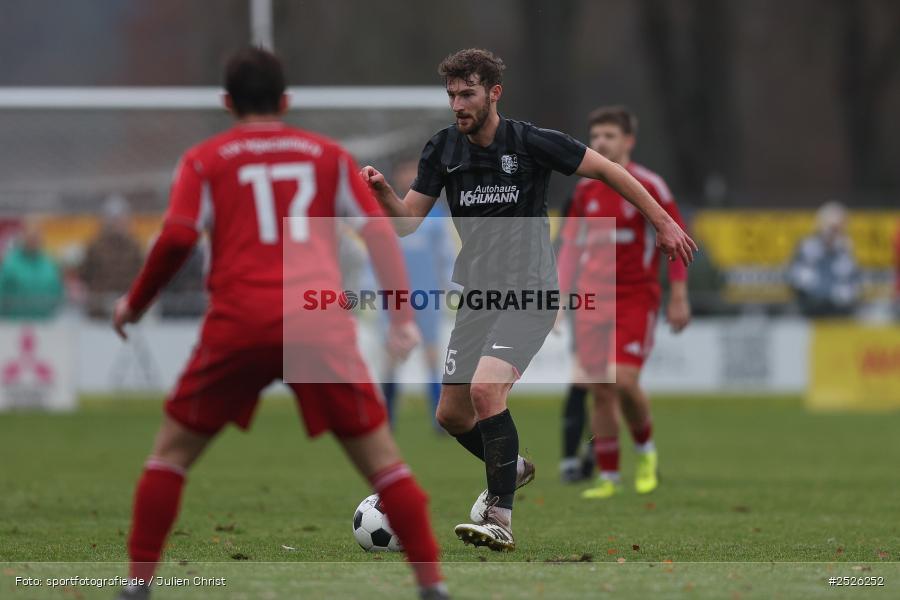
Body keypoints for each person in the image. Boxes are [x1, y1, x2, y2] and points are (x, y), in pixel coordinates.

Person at [112, 48, 447, 600]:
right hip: (314, 324)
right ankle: (433, 587)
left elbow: (176, 238)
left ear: (226, 103)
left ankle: (137, 586)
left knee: (170, 454)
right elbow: (379, 231)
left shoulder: (205, 159)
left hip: (238, 323)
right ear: (286, 101)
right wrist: (402, 319)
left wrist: (135, 304)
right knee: (384, 463)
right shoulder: (327, 155)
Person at [360, 49, 696, 552]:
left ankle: (499, 517)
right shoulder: (442, 149)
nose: (458, 103)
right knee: (452, 415)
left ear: (494, 93)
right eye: (451, 94)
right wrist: (385, 192)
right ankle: (510, 467)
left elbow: (608, 170)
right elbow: (408, 222)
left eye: (468, 93)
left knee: (485, 393)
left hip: (530, 292)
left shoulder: (531, 142)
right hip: (477, 297)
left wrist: (662, 220)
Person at [557, 106, 692, 500]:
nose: (600, 143)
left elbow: (677, 240)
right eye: (595, 136)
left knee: (624, 380)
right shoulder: (584, 191)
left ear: (628, 141)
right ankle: (610, 477)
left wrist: (679, 295)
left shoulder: (650, 186)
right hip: (593, 298)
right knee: (600, 387)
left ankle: (645, 452)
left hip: (636, 298)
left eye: (609, 136)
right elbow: (570, 247)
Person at [381, 158, 454, 430]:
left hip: (428, 295)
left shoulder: (435, 217)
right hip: (395, 298)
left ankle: (440, 418)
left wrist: (450, 286)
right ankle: (386, 417)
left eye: (414, 173)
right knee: (391, 355)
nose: (409, 178)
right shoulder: (387, 214)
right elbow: (377, 257)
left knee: (432, 355)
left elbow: (444, 256)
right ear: (397, 178)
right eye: (405, 173)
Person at [787, 201, 861, 318]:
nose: (833, 233)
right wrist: (820, 292)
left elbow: (853, 284)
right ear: (820, 225)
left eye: (838, 228)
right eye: (831, 227)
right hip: (810, 309)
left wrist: (840, 295)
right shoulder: (807, 247)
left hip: (838, 313)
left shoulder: (845, 252)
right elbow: (795, 277)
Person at [80, 195, 144, 319]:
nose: (119, 222)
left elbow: (140, 273)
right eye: (115, 219)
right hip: (99, 310)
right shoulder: (95, 246)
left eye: (122, 218)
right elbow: (85, 274)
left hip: (126, 310)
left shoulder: (134, 246)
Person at [0, 218, 63, 320]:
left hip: (45, 323)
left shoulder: (50, 262)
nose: (34, 238)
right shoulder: (9, 262)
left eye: (37, 234)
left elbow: (59, 291)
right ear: (23, 236)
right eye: (30, 235)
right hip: (13, 323)